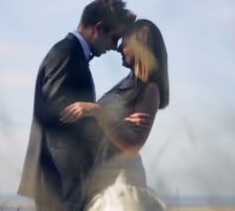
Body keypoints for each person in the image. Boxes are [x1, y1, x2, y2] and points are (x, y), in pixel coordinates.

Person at [18, 0, 136, 211]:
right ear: (99, 28)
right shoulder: (67, 54)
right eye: (114, 38)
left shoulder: (73, 55)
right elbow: (57, 119)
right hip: (61, 183)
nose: (114, 47)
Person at [60, 19, 169, 210]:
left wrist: (98, 112)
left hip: (121, 182)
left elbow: (133, 144)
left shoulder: (149, 89)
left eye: (125, 43)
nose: (119, 48)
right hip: (102, 177)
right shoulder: (126, 84)